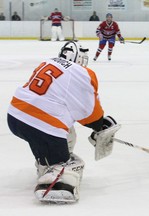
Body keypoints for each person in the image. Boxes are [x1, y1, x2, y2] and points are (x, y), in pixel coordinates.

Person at [7, 41, 119, 202]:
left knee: (67, 128)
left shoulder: (48, 62)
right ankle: (56, 178)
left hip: (15, 116)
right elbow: (90, 115)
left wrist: (97, 125)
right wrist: (100, 126)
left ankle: (45, 164)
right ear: (79, 58)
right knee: (72, 165)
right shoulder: (82, 73)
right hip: (41, 126)